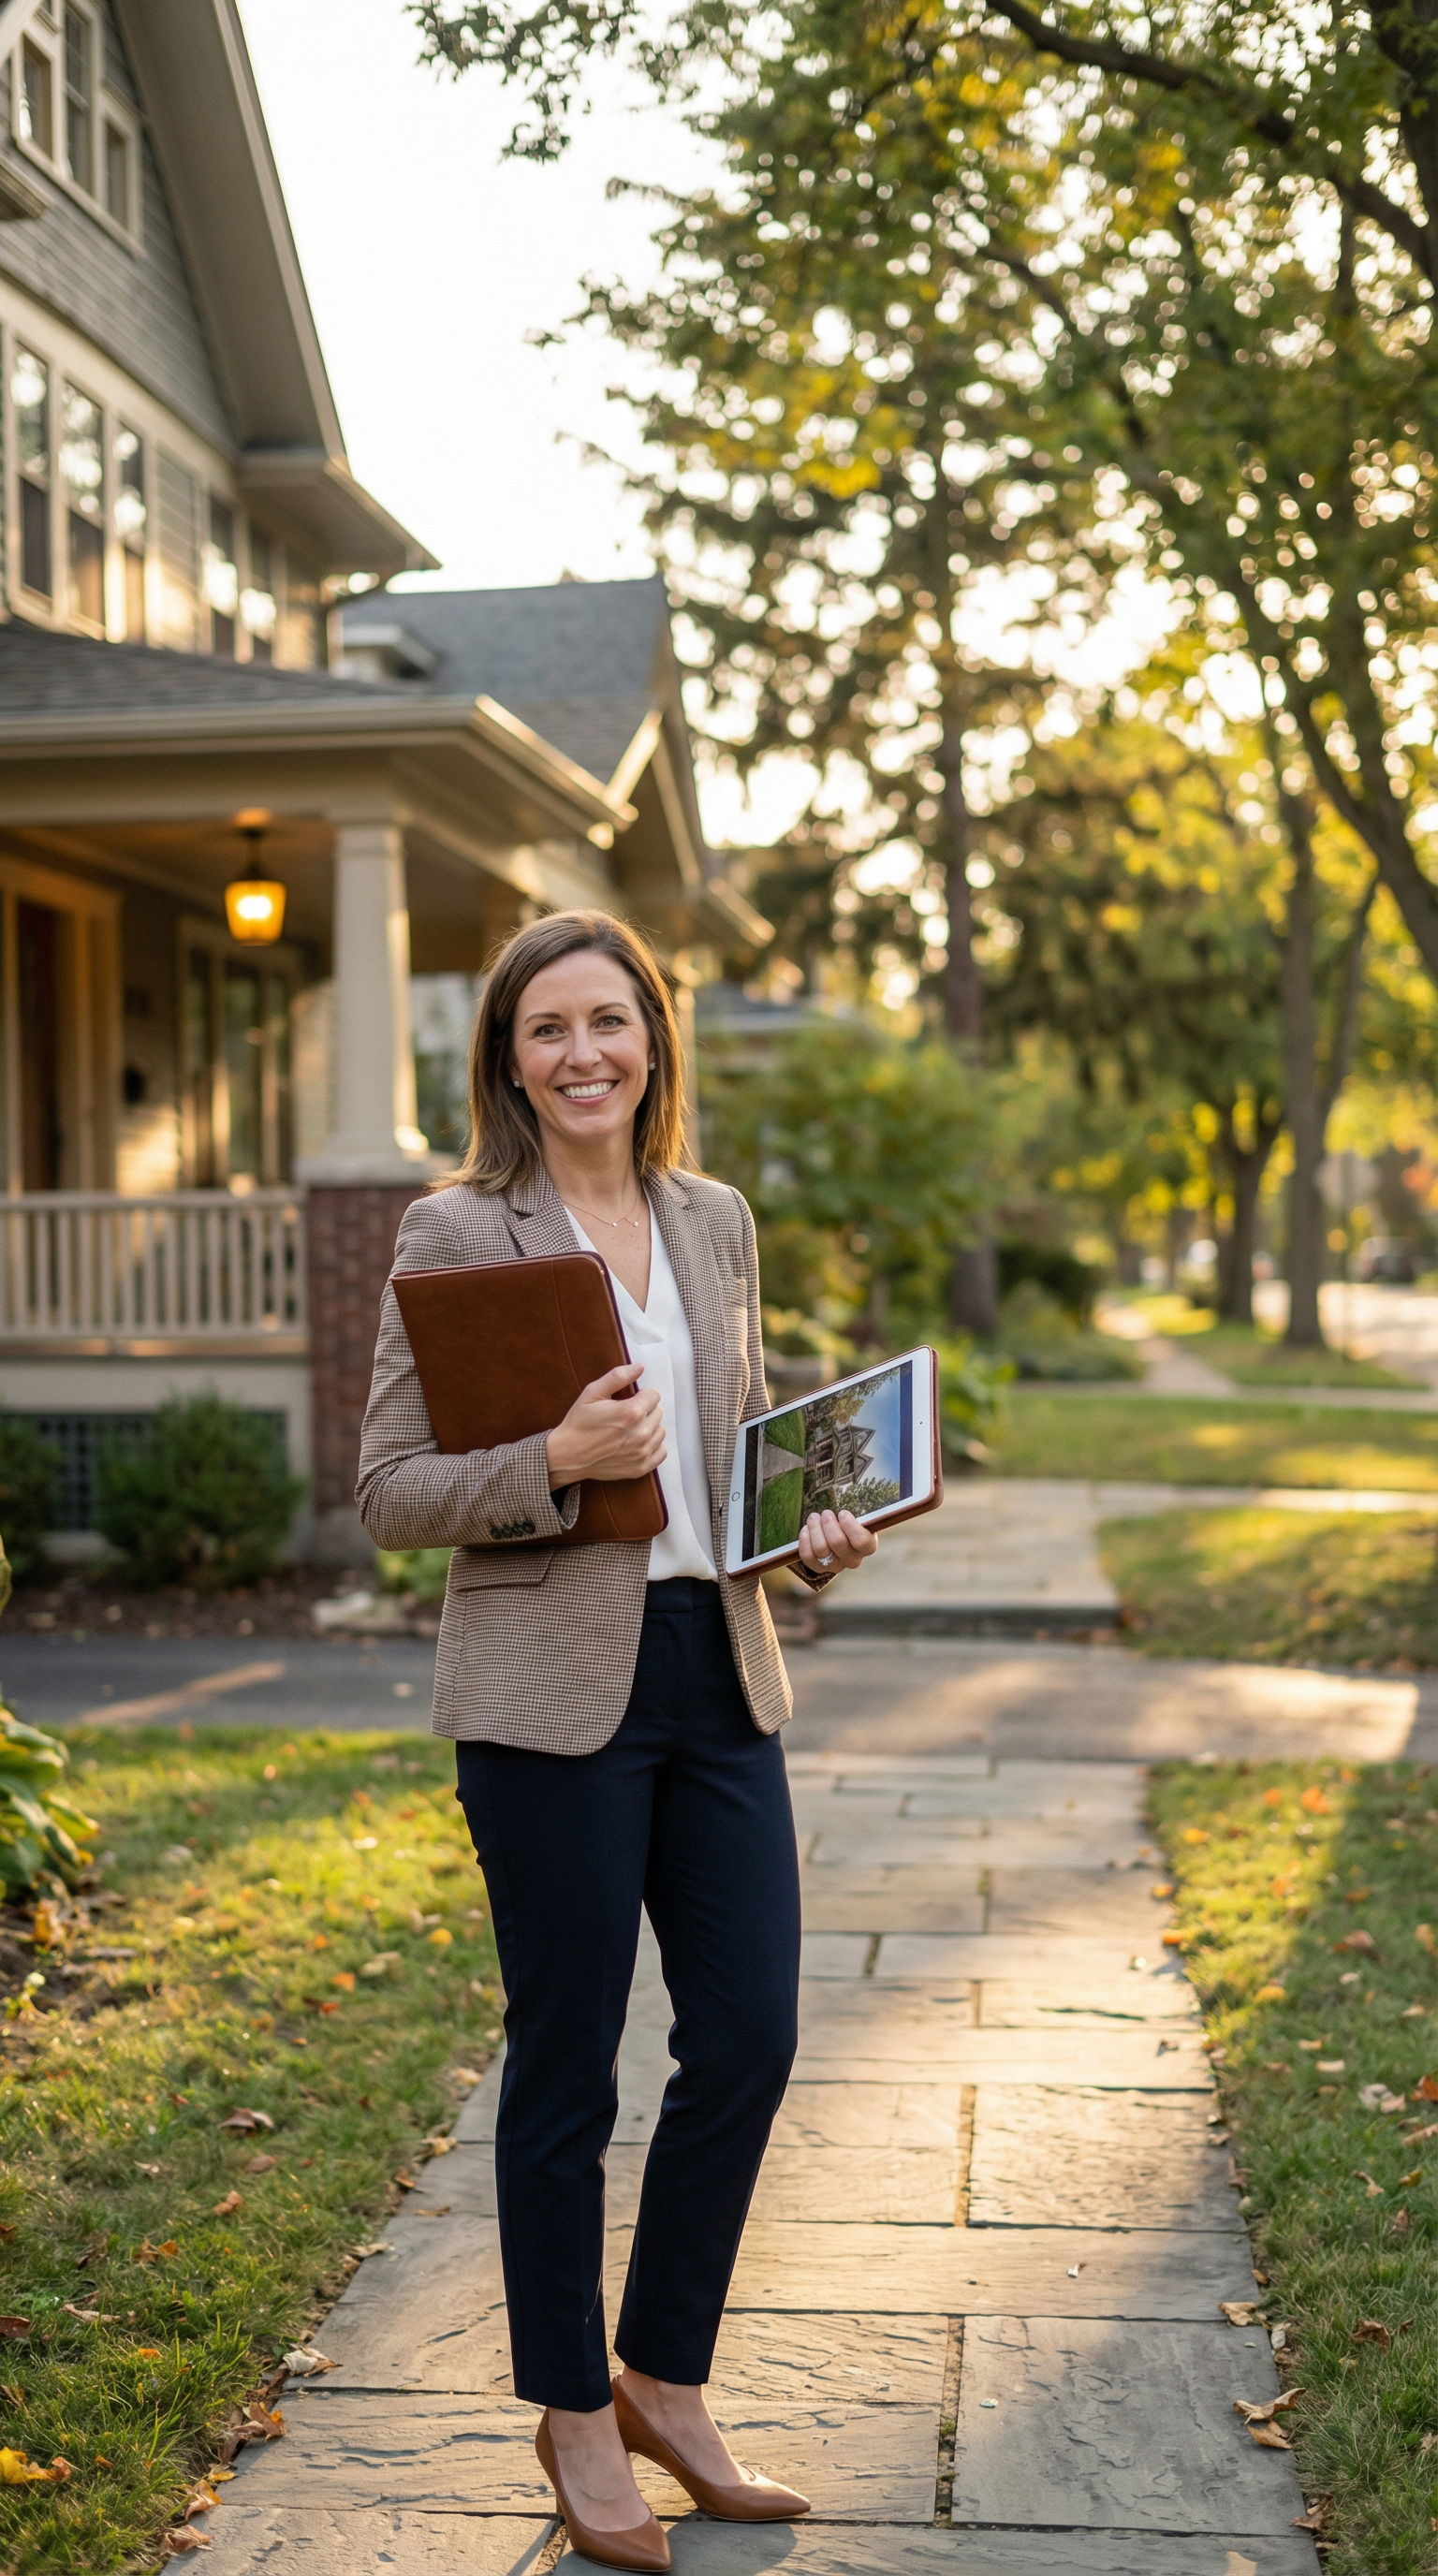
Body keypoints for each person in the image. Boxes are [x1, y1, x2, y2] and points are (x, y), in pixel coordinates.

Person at [357, 910, 878, 2573]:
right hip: (546, 1702)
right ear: (506, 1059)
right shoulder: (454, 1233)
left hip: (716, 1676)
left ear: (656, 1036)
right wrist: (556, 1459)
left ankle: (662, 2374)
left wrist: (808, 1526)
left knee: (749, 2035)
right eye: (547, 1029)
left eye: (612, 1021)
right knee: (567, 2067)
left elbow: (737, 1454)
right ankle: (572, 2411)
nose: (584, 1054)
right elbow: (385, 1495)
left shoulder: (711, 1220)